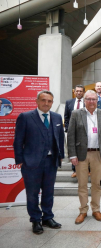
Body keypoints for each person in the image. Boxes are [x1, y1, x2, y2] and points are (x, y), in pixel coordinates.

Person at [13, 90, 64, 234]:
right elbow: (18, 141)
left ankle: (47, 217)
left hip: (50, 161)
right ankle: (35, 219)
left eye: (49, 101)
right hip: (31, 163)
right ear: (37, 101)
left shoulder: (57, 117)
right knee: (32, 193)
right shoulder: (25, 117)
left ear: (52, 103)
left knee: (48, 192)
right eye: (43, 100)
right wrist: (20, 160)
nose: (46, 103)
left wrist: (60, 155)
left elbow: (60, 139)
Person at [67, 90, 101, 225]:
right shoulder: (76, 113)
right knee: (82, 184)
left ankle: (96, 209)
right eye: (88, 99)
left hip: (98, 154)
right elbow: (70, 136)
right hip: (81, 155)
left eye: (93, 99)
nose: (91, 102)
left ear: (97, 100)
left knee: (96, 184)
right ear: (84, 100)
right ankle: (83, 210)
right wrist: (72, 155)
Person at [64, 85, 85, 178]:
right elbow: (66, 117)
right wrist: (68, 129)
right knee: (73, 150)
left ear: (83, 92)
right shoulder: (69, 102)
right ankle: (74, 170)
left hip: (84, 131)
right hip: (72, 131)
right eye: (77, 91)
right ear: (74, 92)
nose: (79, 93)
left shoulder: (87, 102)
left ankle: (86, 169)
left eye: (81, 91)